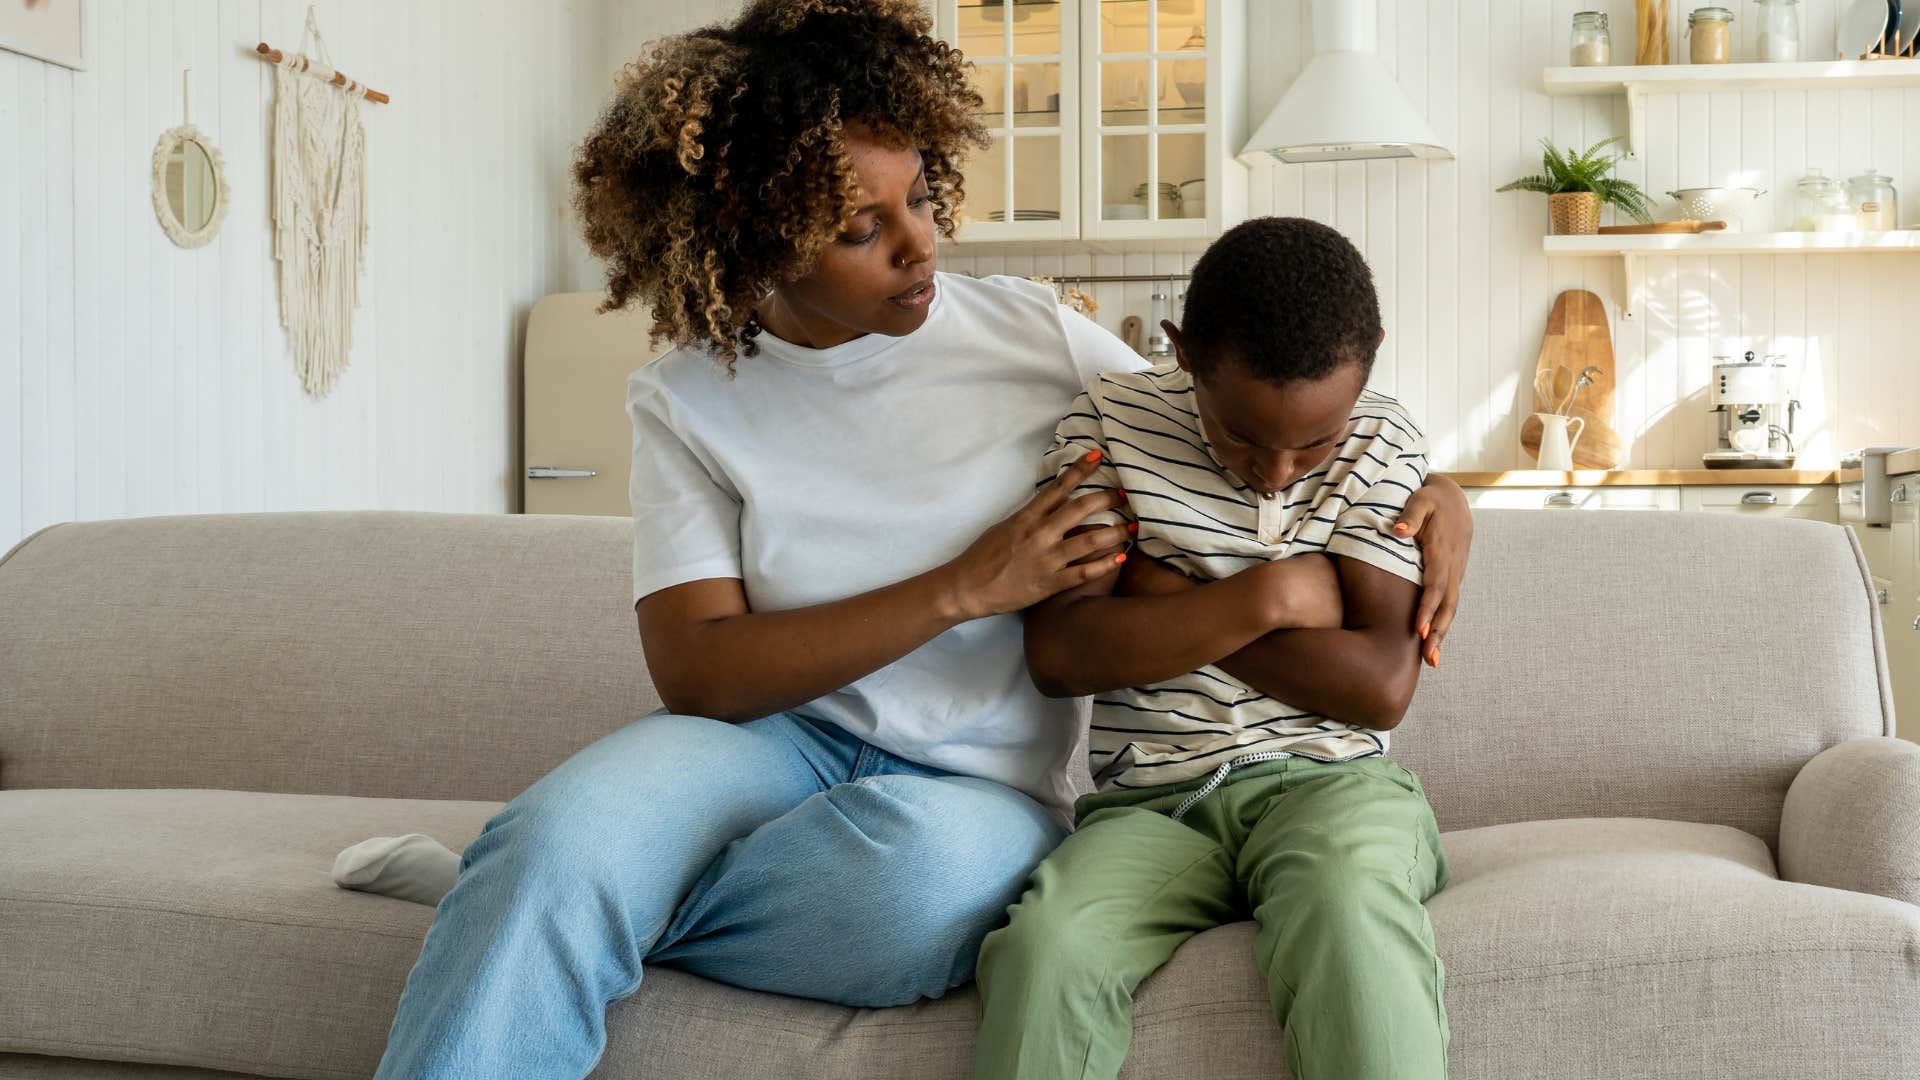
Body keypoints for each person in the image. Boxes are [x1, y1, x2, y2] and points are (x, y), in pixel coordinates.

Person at [349, 4, 1475, 1077]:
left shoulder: (1036, 336)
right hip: (761, 743)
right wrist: (963, 589)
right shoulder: (687, 400)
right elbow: (699, 669)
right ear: (756, 244)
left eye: (922, 198)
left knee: (910, 904)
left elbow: (1232, 434)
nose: (921, 246)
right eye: (859, 227)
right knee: (556, 843)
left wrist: (1444, 493)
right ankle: (536, 899)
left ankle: (530, 914)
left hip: (968, 785)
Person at [973, 217, 1452, 1080]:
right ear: (1181, 352)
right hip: (1154, 805)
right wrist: (1266, 598)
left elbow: (1379, 686)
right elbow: (1064, 652)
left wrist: (1165, 596)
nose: (1275, 471)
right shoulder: (1109, 425)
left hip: (1335, 787)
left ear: (1371, 361)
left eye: (1313, 444)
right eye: (1240, 435)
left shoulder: (1383, 441)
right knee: (1049, 946)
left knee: (1346, 905)